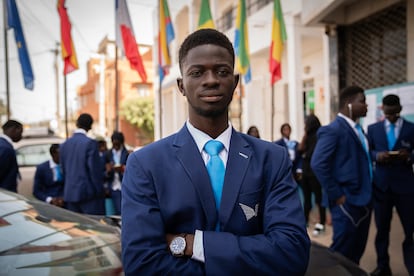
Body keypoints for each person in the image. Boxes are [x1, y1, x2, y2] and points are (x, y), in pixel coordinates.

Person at [121, 28, 310, 275]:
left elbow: (292, 252)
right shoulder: (145, 164)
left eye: (222, 71)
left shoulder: (271, 158)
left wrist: (194, 244)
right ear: (181, 86)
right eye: (197, 72)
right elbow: (142, 264)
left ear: (235, 82)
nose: (210, 80)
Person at [311, 85, 372, 265]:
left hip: (365, 200)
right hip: (347, 202)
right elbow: (318, 163)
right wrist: (337, 195)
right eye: (362, 101)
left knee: (355, 253)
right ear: (349, 104)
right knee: (341, 254)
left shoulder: (359, 130)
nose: (366, 106)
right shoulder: (333, 130)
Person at [367, 94, 414, 276]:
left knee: (410, 230)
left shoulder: (411, 129)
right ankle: (383, 267)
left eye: (394, 113)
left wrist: (408, 156)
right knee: (382, 231)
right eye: (388, 114)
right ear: (383, 111)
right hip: (382, 188)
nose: (392, 117)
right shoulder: (373, 129)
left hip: (406, 188)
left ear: (400, 110)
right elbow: (368, 151)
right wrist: (378, 156)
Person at [60, 113, 105, 215]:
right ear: (90, 126)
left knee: (74, 229)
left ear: (77, 124)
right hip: (88, 195)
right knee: (93, 227)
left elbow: (63, 170)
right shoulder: (90, 143)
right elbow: (94, 171)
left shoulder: (64, 145)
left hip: (70, 193)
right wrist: (99, 191)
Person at [298, 114, 326, 236]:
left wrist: (305, 154)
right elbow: (300, 149)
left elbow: (310, 153)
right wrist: (304, 134)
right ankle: (305, 221)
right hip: (306, 172)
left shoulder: (319, 135)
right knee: (307, 198)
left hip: (315, 172)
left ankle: (322, 222)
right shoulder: (308, 135)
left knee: (319, 198)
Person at [105, 131, 129, 215]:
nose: (115, 147)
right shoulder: (108, 154)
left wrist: (123, 169)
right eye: (114, 144)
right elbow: (103, 172)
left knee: (123, 210)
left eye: (117, 145)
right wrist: (108, 170)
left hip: (124, 185)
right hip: (113, 186)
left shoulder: (127, 154)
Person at [0, 120, 23, 192]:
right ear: (14, 129)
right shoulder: (5, 148)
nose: (21, 135)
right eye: (20, 132)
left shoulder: (4, 144)